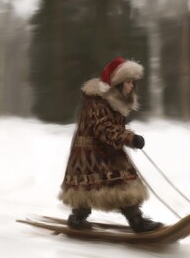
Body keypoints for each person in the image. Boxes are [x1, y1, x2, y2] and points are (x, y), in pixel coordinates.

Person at [58, 57, 163, 233]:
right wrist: (130, 138)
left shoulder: (116, 100)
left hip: (107, 150)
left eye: (132, 82)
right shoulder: (97, 102)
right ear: (118, 83)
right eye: (128, 82)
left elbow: (112, 128)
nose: (131, 86)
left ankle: (135, 219)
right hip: (90, 154)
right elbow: (104, 129)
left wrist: (127, 137)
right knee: (99, 186)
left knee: (123, 182)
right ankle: (78, 217)